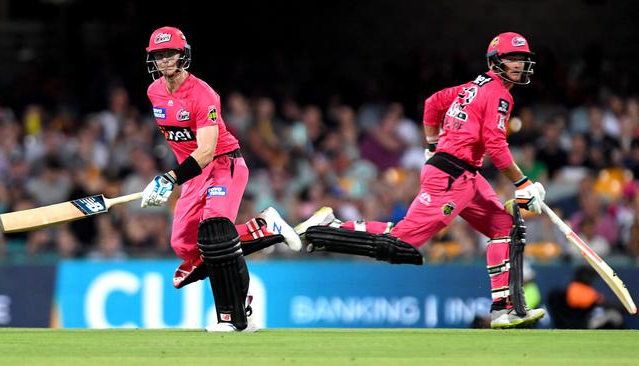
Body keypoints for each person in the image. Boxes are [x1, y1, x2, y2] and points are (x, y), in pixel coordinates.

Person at [295, 32, 546, 329]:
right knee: (402, 241)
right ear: (496, 61)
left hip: (463, 173)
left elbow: (432, 103)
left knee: (504, 226)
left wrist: (431, 146)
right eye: (512, 58)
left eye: (522, 59)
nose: (519, 65)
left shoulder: (471, 87)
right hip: (452, 175)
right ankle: (330, 227)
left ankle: (504, 309)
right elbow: (495, 145)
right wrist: (522, 183)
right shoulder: (499, 95)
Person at [141, 26, 302, 332]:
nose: (164, 61)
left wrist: (168, 179)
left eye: (169, 53)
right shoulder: (154, 92)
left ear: (182, 55)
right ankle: (264, 229)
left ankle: (231, 317)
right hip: (192, 177)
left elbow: (205, 151)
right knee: (186, 247)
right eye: (158, 55)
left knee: (215, 233)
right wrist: (178, 179)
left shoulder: (204, 95)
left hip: (222, 164)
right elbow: (180, 144)